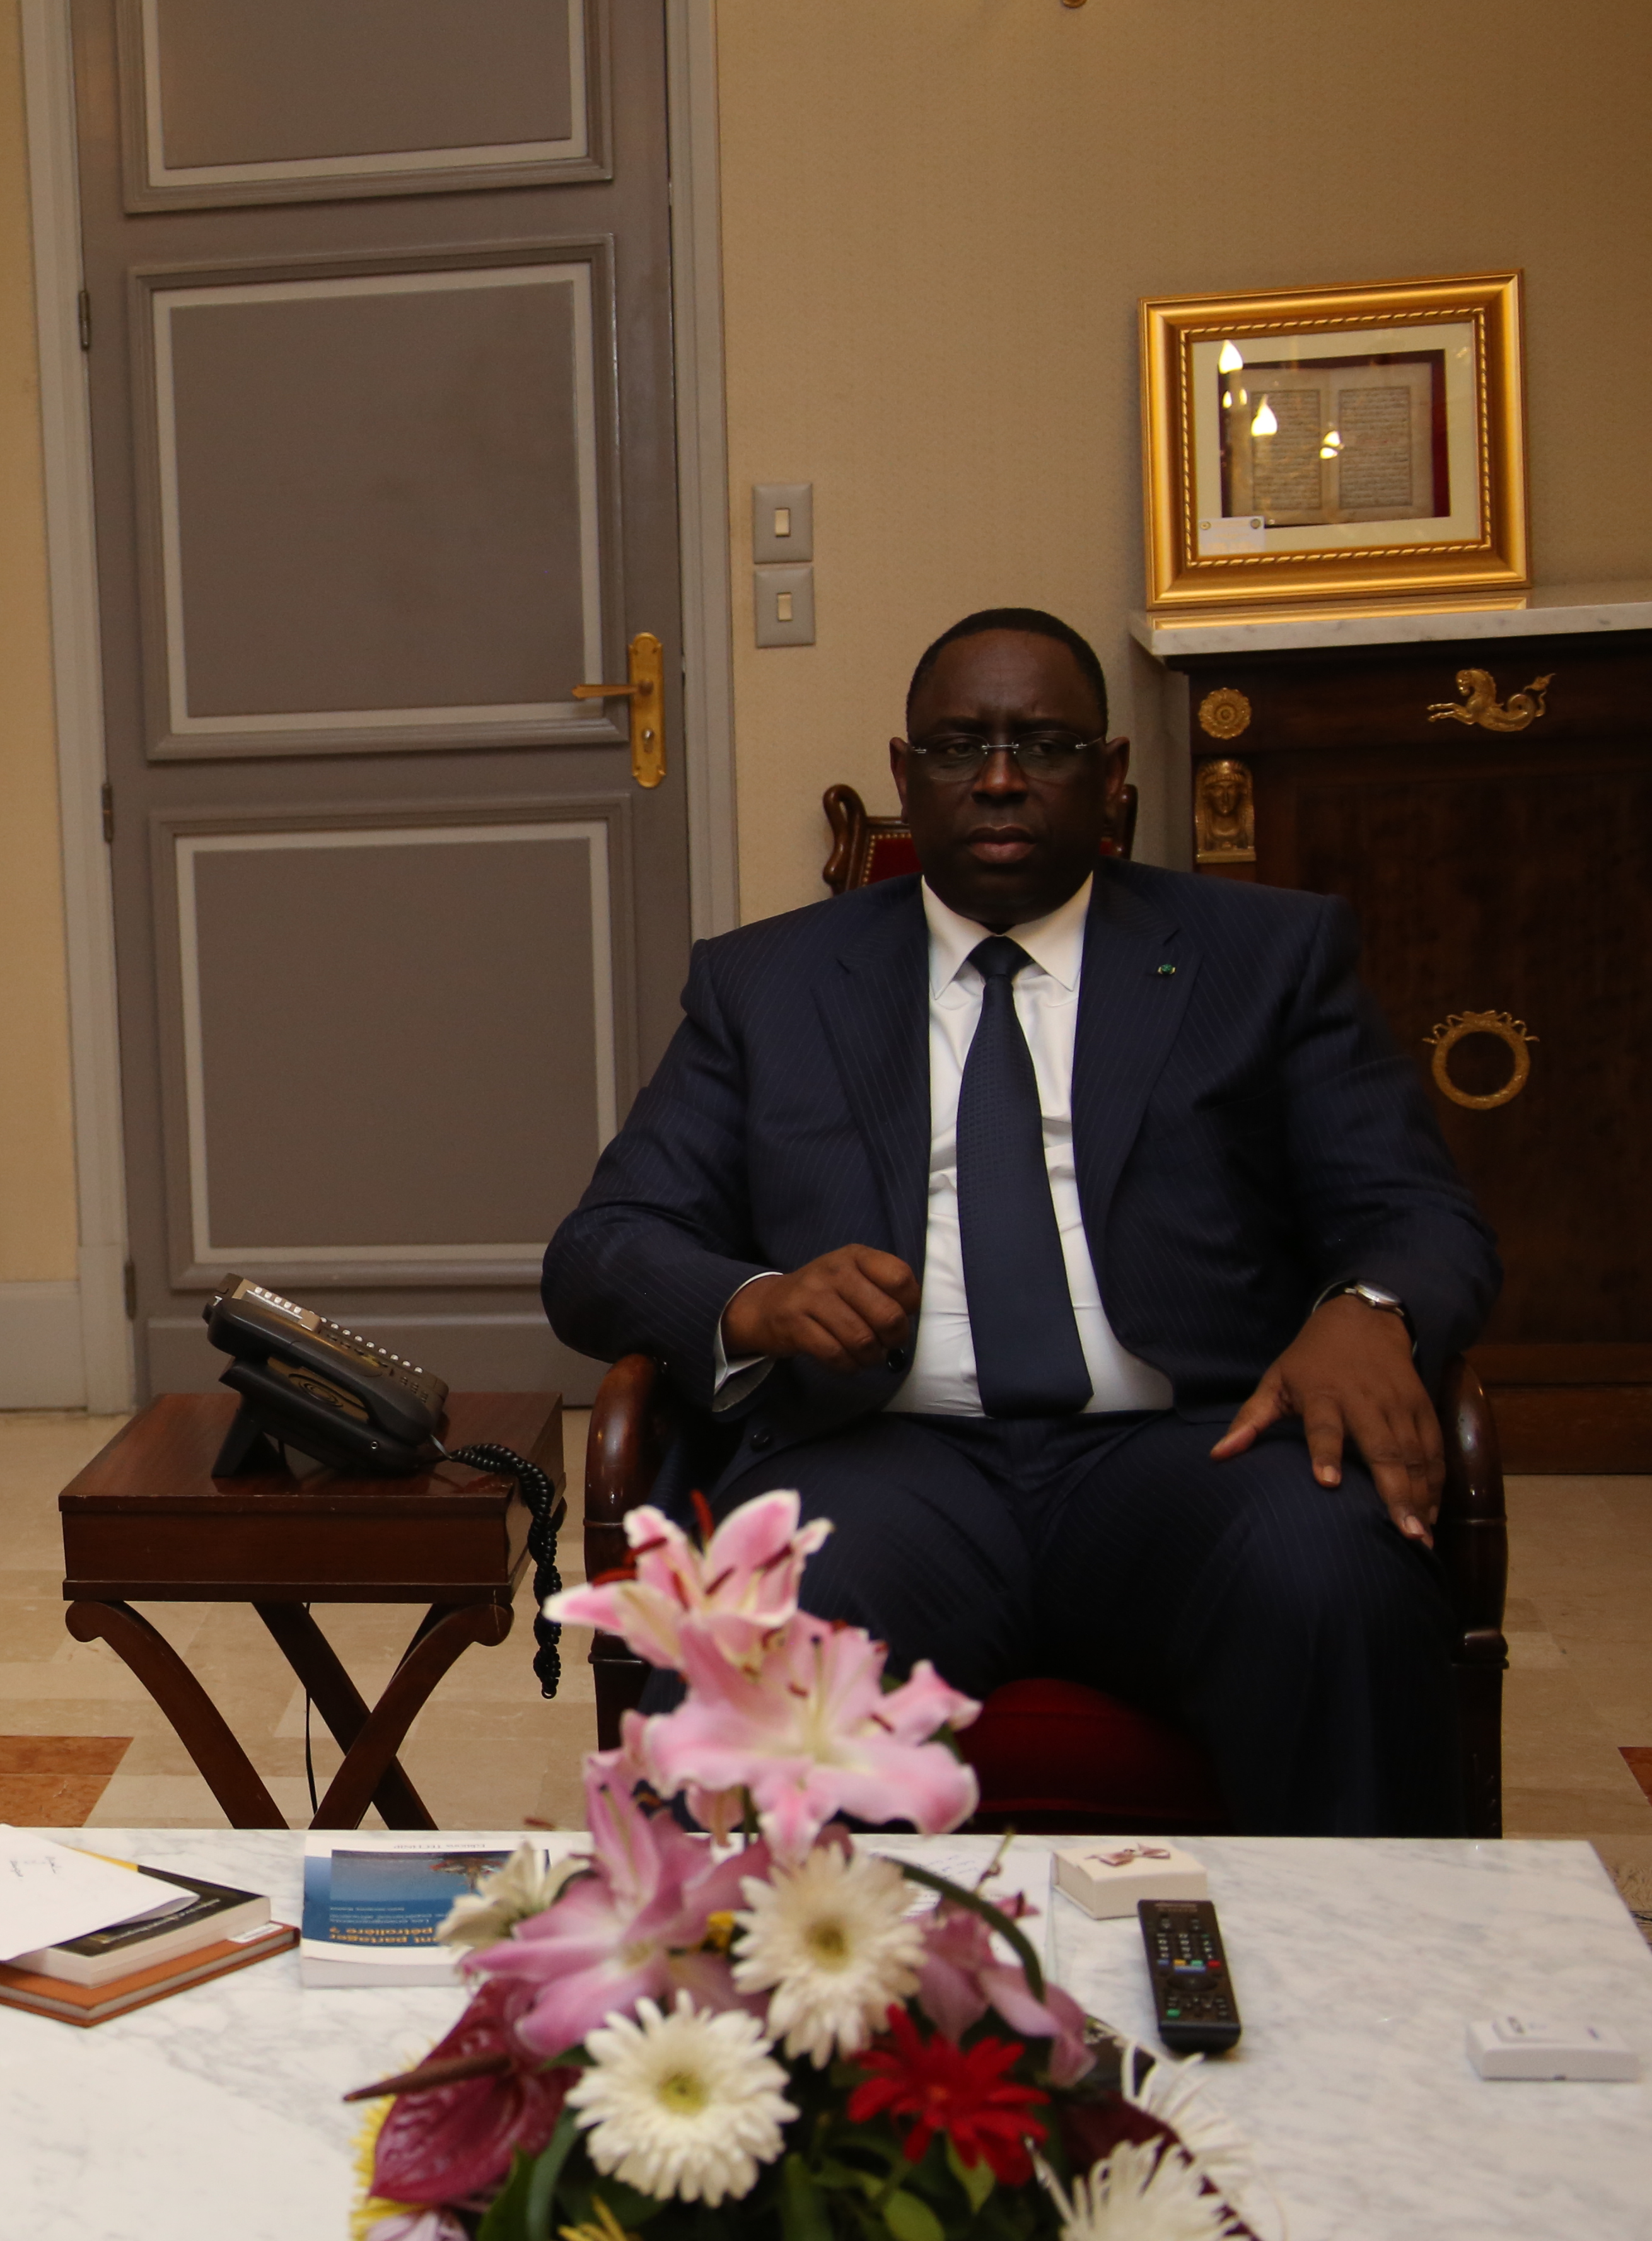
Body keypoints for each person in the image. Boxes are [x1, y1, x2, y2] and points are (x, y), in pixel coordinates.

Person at [542, 608, 1495, 1834]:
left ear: (1111, 775)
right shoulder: (767, 983)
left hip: (1193, 1452)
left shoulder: (1267, 955)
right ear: (905, 775)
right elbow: (605, 1247)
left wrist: (1370, 1308)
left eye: (1043, 746)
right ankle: (778, 1965)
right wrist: (759, 1304)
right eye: (958, 748)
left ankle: (1360, 1957)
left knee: (1336, 1582)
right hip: (882, 1461)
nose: (998, 779)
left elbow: (1415, 1209)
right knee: (764, 1644)